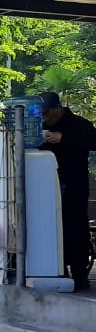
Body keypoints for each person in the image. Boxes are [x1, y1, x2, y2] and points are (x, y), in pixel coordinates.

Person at [38, 92, 96, 290]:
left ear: (57, 108)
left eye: (46, 114)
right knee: (50, 231)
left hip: (73, 186)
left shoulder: (79, 125)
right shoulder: (38, 126)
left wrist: (63, 138)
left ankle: (80, 275)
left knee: (76, 228)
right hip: (44, 189)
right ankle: (57, 272)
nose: (44, 119)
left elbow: (93, 142)